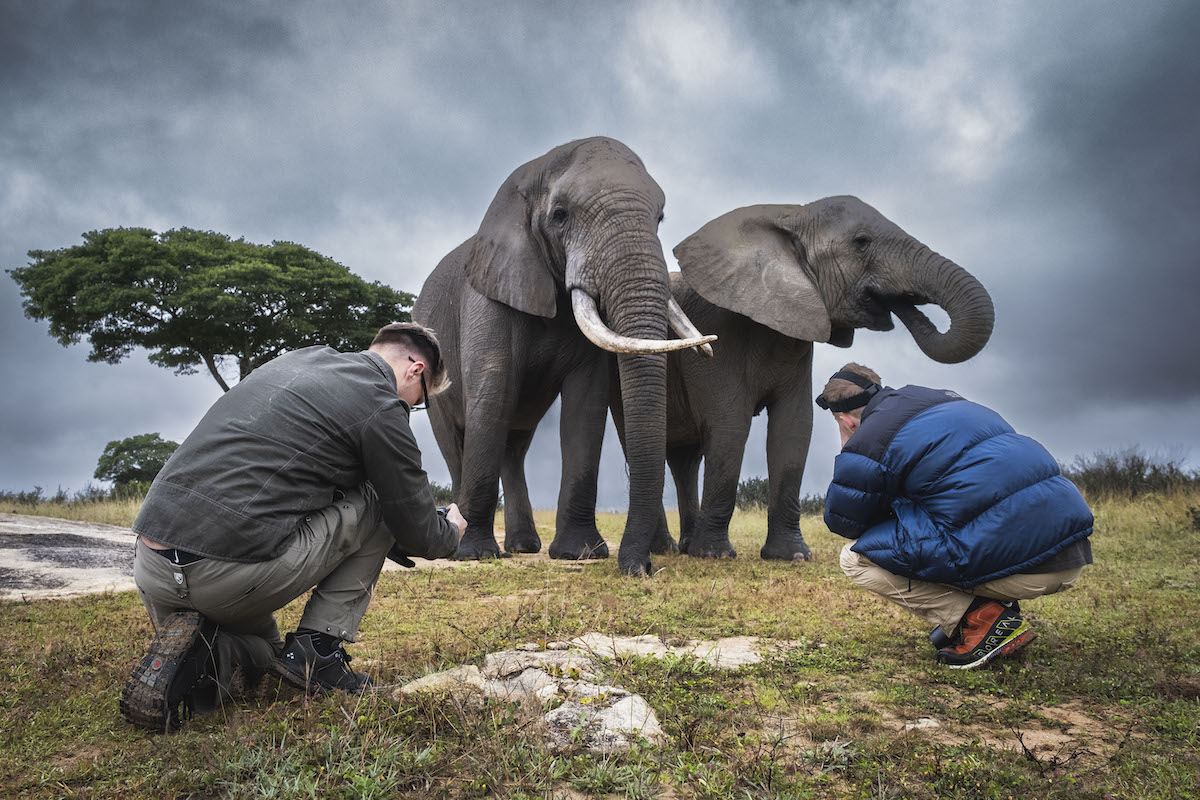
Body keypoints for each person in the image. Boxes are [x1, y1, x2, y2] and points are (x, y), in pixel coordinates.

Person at [121, 322, 467, 730]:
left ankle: (203, 654)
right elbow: (417, 530)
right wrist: (451, 530)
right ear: (416, 370)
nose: (414, 406)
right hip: (225, 575)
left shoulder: (296, 360)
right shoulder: (381, 403)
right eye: (422, 400)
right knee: (378, 500)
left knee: (265, 653)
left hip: (152, 567)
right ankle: (318, 650)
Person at [818, 363, 1094, 670]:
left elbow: (843, 521)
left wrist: (850, 448)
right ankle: (996, 606)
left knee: (854, 558)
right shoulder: (943, 399)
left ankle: (982, 619)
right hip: (1070, 551)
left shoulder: (870, 438)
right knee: (942, 521)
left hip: (1026, 569)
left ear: (845, 420)